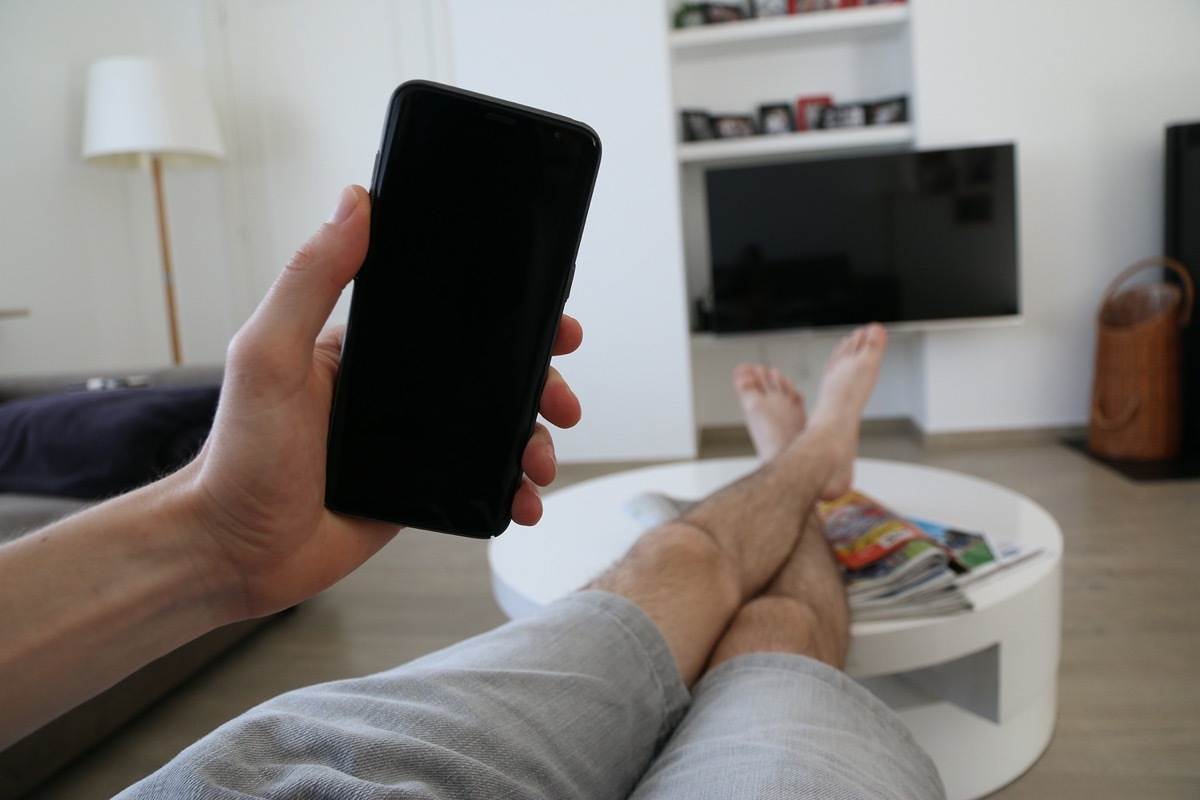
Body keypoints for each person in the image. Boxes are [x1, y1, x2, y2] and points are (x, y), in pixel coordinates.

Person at [3, 186, 945, 798]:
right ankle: (815, 453)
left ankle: (806, 454)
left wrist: (214, 535)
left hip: (291, 777)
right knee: (772, 640)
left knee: (680, 560)